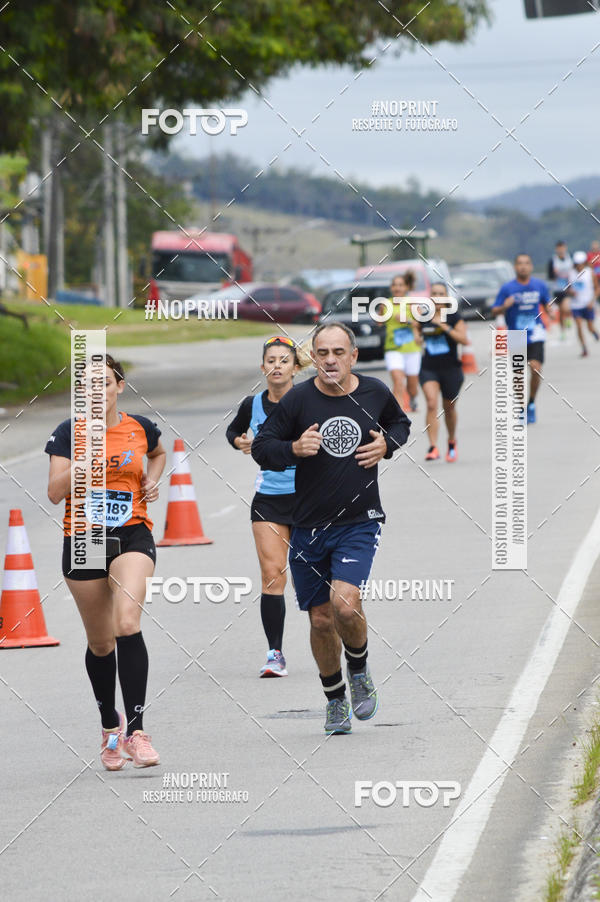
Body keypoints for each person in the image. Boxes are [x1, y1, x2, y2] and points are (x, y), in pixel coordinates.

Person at [252, 322, 411, 734]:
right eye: (322, 353)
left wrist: (386, 446)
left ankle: (358, 668)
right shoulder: (298, 399)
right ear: (313, 358)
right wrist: (293, 448)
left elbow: (400, 424)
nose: (330, 360)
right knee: (321, 619)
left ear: (353, 356)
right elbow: (262, 447)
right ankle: (335, 697)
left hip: (359, 521)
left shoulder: (374, 391)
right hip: (307, 527)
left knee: (344, 603)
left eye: (338, 352)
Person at [45, 354, 166, 770]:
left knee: (127, 622)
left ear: (119, 387)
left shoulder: (140, 427)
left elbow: (158, 452)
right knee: (101, 643)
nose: (98, 391)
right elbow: (54, 493)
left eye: (105, 383)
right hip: (84, 538)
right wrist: (81, 464)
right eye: (89, 385)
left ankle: (137, 732)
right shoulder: (67, 433)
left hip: (132, 532)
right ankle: (108, 728)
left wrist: (152, 478)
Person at [226, 336, 308, 678]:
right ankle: (275, 653)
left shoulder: (310, 400)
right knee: (273, 574)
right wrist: (239, 441)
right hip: (269, 500)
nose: (277, 366)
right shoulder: (252, 404)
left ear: (295, 368)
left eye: (283, 360)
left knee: (314, 578)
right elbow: (233, 431)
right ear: (263, 368)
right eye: (271, 360)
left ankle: (332, 634)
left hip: (310, 498)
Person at [492, 254, 550, 425]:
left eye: (526, 264)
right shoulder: (507, 288)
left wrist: (550, 310)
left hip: (535, 333)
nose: (523, 267)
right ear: (515, 267)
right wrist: (504, 306)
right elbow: (494, 310)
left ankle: (531, 402)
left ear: (531, 266)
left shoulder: (539, 285)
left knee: (535, 368)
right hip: (516, 335)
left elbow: (546, 302)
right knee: (518, 374)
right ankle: (522, 407)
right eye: (519, 264)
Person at [415, 282, 468, 462]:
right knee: (431, 403)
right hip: (429, 368)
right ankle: (433, 447)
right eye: (434, 293)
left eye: (441, 294)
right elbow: (416, 334)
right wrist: (416, 333)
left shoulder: (453, 316)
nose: (437, 297)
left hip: (451, 369)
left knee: (449, 407)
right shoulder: (424, 316)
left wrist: (444, 326)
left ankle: (451, 442)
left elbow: (464, 339)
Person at [383, 272, 422, 412]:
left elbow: (420, 323)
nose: (397, 288)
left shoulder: (411, 303)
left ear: (406, 287)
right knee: (398, 381)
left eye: (400, 285)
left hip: (411, 349)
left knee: (412, 386)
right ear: (391, 288)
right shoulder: (386, 304)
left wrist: (409, 320)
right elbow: (379, 322)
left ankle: (413, 398)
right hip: (393, 348)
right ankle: (397, 413)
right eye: (394, 285)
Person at [568, 250, 599, 357]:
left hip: (588, 304)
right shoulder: (571, 273)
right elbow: (567, 288)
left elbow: (597, 288)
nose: (579, 266)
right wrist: (570, 292)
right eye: (577, 264)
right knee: (579, 325)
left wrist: (592, 301)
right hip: (576, 305)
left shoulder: (590, 272)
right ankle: (584, 348)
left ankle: (595, 334)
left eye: (580, 264)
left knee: (590, 327)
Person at [547, 240, 572, 338]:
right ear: (556, 249)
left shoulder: (570, 258)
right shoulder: (553, 260)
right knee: (561, 312)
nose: (561, 250)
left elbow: (575, 270)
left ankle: (569, 318)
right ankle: (562, 332)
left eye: (562, 248)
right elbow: (550, 276)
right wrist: (554, 273)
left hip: (567, 288)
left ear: (565, 248)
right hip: (557, 289)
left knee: (566, 307)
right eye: (559, 248)